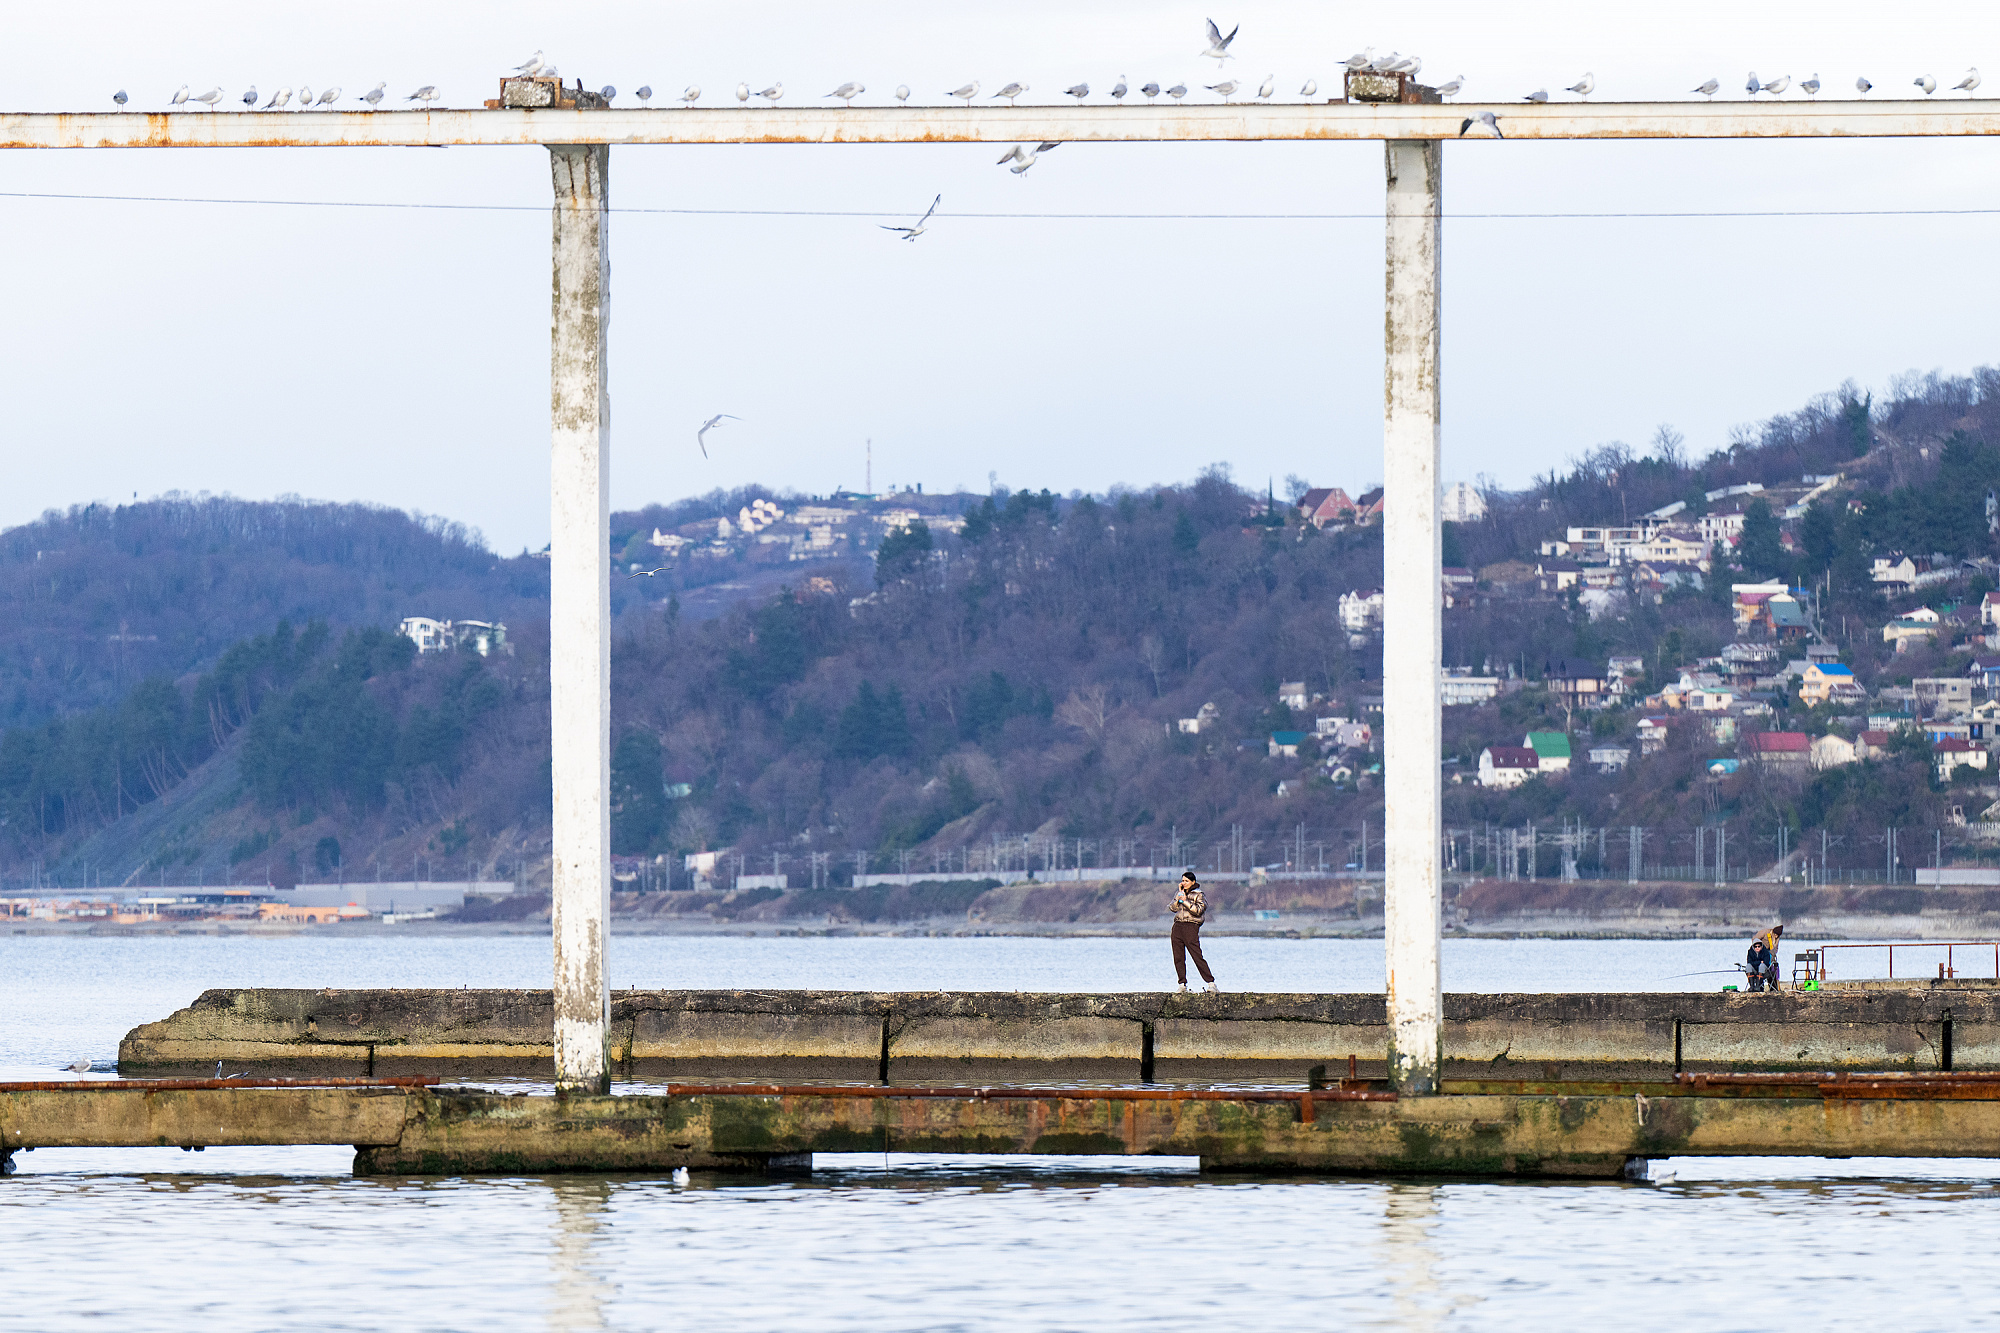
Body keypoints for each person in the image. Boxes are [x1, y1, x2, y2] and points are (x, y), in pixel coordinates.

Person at [1170, 870, 1218, 993]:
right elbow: (1172, 908)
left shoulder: (1199, 895)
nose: (1184, 883)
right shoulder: (1179, 893)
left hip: (1191, 926)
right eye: (1182, 880)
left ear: (1193, 882)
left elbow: (1198, 911)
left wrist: (1185, 900)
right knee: (1178, 957)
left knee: (1196, 955)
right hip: (1178, 926)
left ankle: (1211, 983)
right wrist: (1179, 897)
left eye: (1186, 881)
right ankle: (1182, 984)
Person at [1746, 924, 1783, 992]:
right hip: (1760, 951)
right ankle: (1755, 986)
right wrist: (1758, 947)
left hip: (1768, 955)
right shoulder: (1765, 932)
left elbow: (1775, 949)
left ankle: (1772, 987)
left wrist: (1773, 944)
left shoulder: (1776, 938)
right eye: (1775, 935)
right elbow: (1755, 939)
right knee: (1751, 966)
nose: (1776, 936)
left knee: (1770, 968)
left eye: (1778, 936)